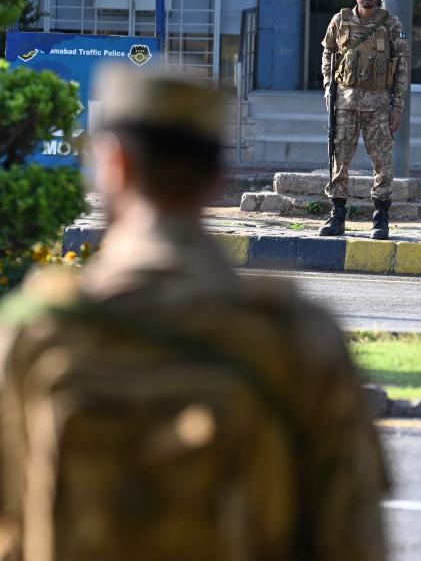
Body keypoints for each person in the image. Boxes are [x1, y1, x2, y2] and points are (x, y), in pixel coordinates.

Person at [0, 66, 389, 561]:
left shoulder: (35, 333)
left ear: (114, 166)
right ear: (216, 180)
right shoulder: (295, 342)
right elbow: (351, 540)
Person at [318, 0, 409, 240]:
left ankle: (380, 217)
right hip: (345, 103)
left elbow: (401, 68)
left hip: (379, 105)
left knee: (382, 162)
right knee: (339, 160)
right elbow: (328, 53)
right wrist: (327, 88)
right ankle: (337, 215)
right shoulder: (340, 20)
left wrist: (398, 107)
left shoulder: (391, 24)